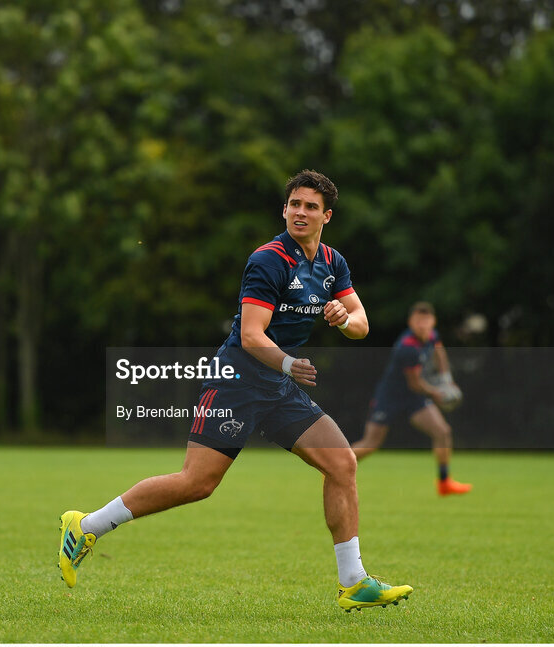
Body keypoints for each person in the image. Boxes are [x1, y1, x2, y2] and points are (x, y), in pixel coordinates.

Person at [59, 170, 412, 612]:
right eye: (294, 205)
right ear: (284, 210)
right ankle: (86, 525)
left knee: (342, 463)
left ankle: (354, 581)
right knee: (197, 483)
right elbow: (250, 335)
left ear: (328, 216)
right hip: (237, 382)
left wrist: (344, 318)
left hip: (278, 386)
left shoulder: (331, 263)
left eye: (310, 207)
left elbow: (362, 323)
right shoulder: (268, 260)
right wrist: (288, 363)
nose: (300, 212)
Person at [352, 301, 472, 496]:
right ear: (410, 322)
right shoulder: (407, 347)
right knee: (370, 444)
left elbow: (439, 352)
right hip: (390, 397)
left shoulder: (432, 336)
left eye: (426, 320)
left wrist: (446, 380)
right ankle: (334, 466)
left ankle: (444, 482)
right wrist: (439, 393)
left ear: (433, 321)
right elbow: (415, 384)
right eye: (418, 320)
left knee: (442, 431)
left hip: (415, 397)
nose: (422, 324)